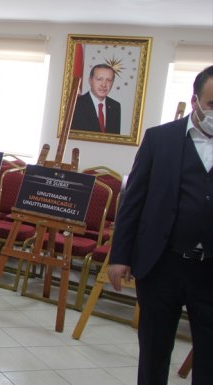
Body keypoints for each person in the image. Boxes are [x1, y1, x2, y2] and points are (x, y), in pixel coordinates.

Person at [108, 65, 213, 385]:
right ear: (194, 100)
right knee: (154, 351)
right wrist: (119, 255)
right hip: (161, 263)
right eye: (212, 105)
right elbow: (132, 203)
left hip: (210, 272)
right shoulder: (159, 139)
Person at [71, 64, 122, 134]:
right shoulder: (75, 104)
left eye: (109, 80)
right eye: (99, 79)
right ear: (90, 81)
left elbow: (114, 139)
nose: (104, 84)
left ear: (112, 83)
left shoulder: (115, 106)